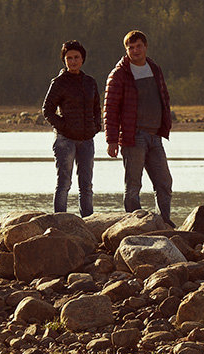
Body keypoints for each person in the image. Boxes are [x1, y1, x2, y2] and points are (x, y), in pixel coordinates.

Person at [104, 29, 174, 226]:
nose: (135, 51)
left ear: (145, 47)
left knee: (164, 182)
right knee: (133, 185)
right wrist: (111, 140)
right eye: (131, 47)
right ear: (126, 50)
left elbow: (164, 98)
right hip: (133, 137)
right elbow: (110, 109)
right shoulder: (118, 74)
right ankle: (134, 225)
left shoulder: (154, 68)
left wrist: (164, 124)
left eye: (138, 46)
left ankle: (165, 222)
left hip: (155, 136)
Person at [42, 39, 101, 217]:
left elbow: (97, 108)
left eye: (76, 57)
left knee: (86, 185)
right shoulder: (59, 83)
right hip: (65, 140)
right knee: (64, 183)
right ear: (64, 61)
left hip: (87, 140)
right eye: (69, 58)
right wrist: (63, 126)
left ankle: (88, 221)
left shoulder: (90, 82)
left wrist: (96, 127)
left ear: (82, 59)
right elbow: (47, 110)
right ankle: (60, 221)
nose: (73, 61)